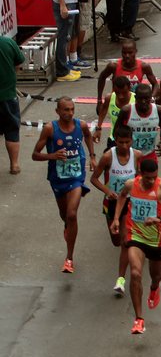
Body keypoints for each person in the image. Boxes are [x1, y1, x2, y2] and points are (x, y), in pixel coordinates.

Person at [110, 158, 161, 334]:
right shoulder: (130, 184)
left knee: (155, 275)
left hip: (157, 240)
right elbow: (121, 197)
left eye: (154, 177)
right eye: (148, 177)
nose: (152, 180)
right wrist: (115, 219)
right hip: (136, 235)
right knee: (135, 273)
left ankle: (154, 288)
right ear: (140, 174)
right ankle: (139, 319)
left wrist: (159, 219)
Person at [33, 98, 92, 272]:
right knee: (65, 215)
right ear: (57, 111)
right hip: (58, 178)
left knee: (72, 214)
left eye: (72, 109)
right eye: (65, 110)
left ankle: (69, 258)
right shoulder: (50, 129)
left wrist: (93, 156)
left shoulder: (80, 125)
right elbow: (35, 155)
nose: (70, 113)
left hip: (76, 177)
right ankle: (67, 226)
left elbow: (88, 136)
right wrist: (52, 156)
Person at [89, 125, 141, 295]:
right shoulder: (107, 157)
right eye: (121, 142)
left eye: (127, 142)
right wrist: (107, 191)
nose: (124, 146)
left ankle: (120, 279)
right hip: (111, 202)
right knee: (116, 240)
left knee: (125, 240)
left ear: (131, 141)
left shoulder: (137, 156)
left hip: (130, 203)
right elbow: (94, 179)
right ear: (115, 141)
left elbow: (142, 178)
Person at [97, 41, 157, 109]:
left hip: (135, 104)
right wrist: (99, 100)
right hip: (117, 104)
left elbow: (155, 84)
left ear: (135, 51)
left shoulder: (144, 66)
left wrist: (151, 98)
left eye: (130, 53)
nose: (127, 56)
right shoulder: (113, 66)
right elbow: (102, 78)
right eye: (124, 53)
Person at [0, 34, 26, 175]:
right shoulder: (8, 43)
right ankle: (14, 165)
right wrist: (11, 81)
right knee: (12, 130)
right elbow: (18, 64)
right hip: (8, 96)